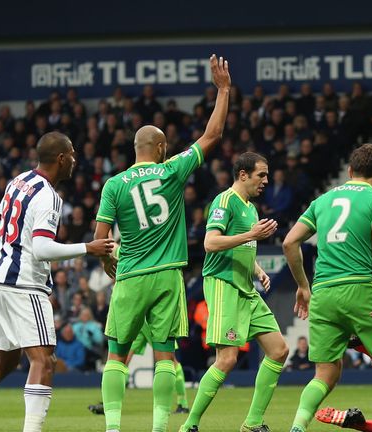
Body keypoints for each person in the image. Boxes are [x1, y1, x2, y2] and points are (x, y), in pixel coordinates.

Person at [0, 132, 114, 432]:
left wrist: (15, 245)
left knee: (5, 361)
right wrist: (88, 248)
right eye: (71, 154)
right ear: (61, 158)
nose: (75, 159)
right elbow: (43, 249)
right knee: (43, 360)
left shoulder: (18, 181)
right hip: (23, 285)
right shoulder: (48, 196)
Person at [94, 54, 231, 432]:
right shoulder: (171, 170)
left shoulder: (114, 184)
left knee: (117, 356)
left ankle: (113, 428)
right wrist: (223, 90)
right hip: (167, 276)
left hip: (131, 275)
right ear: (161, 147)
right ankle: (159, 428)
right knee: (165, 356)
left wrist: (112, 267)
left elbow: (100, 241)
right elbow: (212, 136)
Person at [283, 144, 372, 432]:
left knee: (325, 373)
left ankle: (298, 425)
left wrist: (302, 286)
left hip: (323, 292)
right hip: (359, 286)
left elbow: (289, 242)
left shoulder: (322, 201)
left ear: (349, 171)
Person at [181, 152, 288, 432]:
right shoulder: (224, 201)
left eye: (266, 175)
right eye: (261, 175)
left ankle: (252, 423)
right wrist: (251, 235)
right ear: (243, 175)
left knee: (279, 351)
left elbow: (241, 246)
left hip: (246, 288)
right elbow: (211, 243)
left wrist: (258, 270)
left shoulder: (250, 208)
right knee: (226, 359)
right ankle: (189, 425)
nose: (265, 180)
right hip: (223, 285)